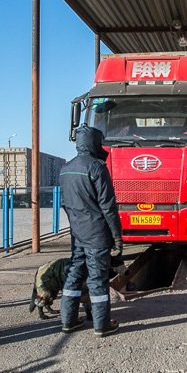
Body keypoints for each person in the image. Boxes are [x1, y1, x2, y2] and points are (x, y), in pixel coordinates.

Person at [59, 126, 123, 335]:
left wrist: (76, 226)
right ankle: (101, 324)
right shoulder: (97, 167)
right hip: (96, 234)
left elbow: (64, 204)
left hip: (77, 233)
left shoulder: (66, 168)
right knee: (97, 279)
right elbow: (108, 206)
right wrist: (116, 235)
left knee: (74, 274)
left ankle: (68, 321)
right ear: (95, 143)